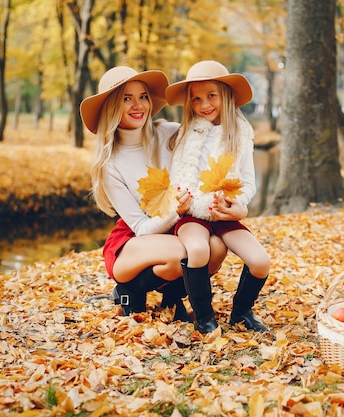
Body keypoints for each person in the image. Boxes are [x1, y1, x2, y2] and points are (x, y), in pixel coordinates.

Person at [79, 66, 230, 321]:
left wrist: (215, 95)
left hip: (176, 228)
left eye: (143, 96)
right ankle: (128, 290)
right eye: (127, 98)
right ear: (112, 106)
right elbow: (140, 226)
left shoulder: (168, 133)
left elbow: (211, 131)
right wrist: (175, 212)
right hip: (135, 239)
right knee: (185, 252)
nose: (138, 105)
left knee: (215, 248)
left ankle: (172, 298)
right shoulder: (110, 164)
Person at [165, 60, 271, 333]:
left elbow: (247, 182)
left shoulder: (240, 135)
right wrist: (181, 200)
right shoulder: (186, 135)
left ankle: (242, 312)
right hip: (193, 214)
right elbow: (177, 179)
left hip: (223, 211)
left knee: (260, 261)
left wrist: (240, 207)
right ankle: (204, 317)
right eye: (196, 99)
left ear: (225, 94)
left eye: (211, 95)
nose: (204, 104)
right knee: (198, 249)